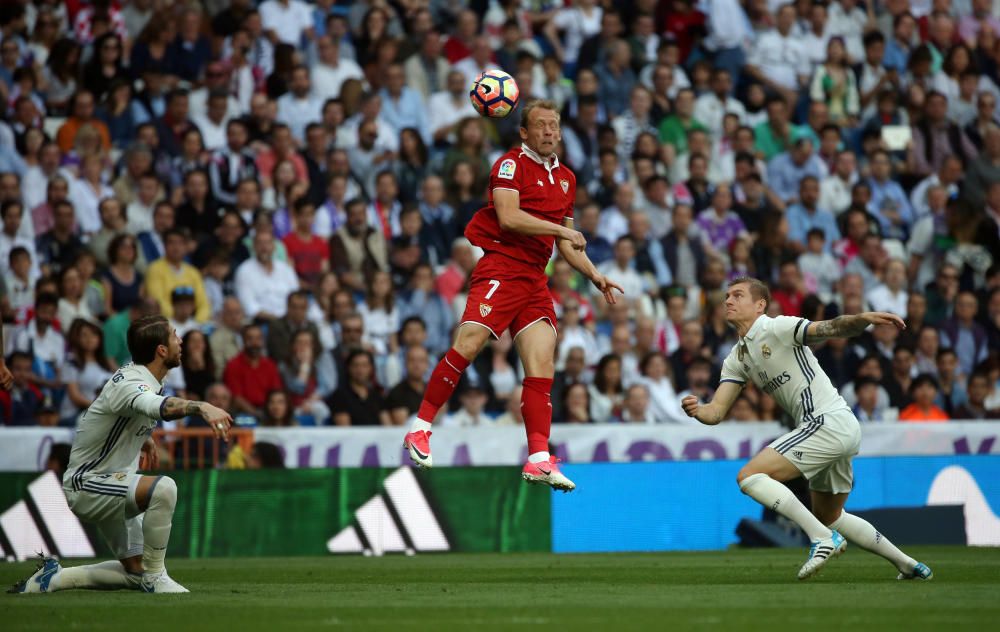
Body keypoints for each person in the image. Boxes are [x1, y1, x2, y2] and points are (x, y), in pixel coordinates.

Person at [401, 100, 623, 492]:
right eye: (541, 126)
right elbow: (508, 217)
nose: (550, 132)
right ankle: (420, 429)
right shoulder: (510, 165)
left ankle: (538, 458)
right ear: (524, 132)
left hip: (535, 278)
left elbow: (569, 245)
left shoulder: (567, 179)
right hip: (501, 267)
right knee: (468, 344)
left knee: (542, 363)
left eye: (554, 125)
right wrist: (560, 233)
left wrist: (595, 275)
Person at [681, 277, 932, 581]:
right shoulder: (737, 358)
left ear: (760, 305)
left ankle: (821, 538)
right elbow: (716, 412)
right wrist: (698, 410)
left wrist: (862, 320)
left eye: (737, 295)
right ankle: (907, 563)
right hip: (836, 428)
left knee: (749, 477)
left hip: (826, 421)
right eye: (727, 296)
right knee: (830, 514)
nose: (728, 301)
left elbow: (830, 328)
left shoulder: (777, 327)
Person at [11, 315, 232, 594]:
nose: (181, 340)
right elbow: (155, 406)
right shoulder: (131, 382)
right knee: (164, 489)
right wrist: (201, 406)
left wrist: (143, 438)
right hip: (88, 483)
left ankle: (55, 579)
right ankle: (157, 576)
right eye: (175, 335)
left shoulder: (140, 377)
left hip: (113, 481)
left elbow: (116, 415)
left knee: (134, 572)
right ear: (161, 351)